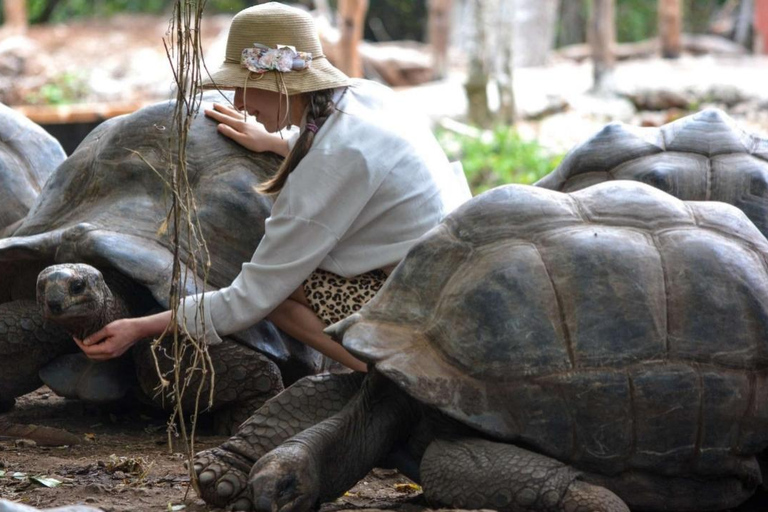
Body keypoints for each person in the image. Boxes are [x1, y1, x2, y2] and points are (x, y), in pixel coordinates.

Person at [76, 2, 471, 372]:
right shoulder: (367, 98)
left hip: (427, 313)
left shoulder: (327, 167)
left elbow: (250, 299)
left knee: (278, 297)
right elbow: (355, 158)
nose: (238, 101)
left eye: (244, 86)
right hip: (458, 282)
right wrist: (279, 142)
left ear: (281, 82)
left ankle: (395, 375)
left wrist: (139, 328)